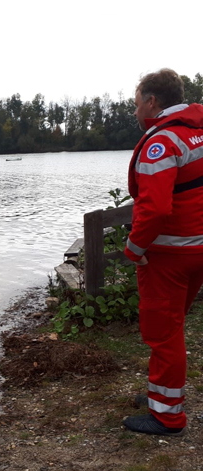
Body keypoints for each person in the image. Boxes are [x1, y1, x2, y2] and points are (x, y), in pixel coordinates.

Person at [122, 68, 203, 436]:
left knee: (163, 332)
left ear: (152, 102)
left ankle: (167, 416)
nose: (136, 112)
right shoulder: (197, 132)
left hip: (169, 256)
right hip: (197, 250)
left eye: (137, 104)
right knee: (173, 326)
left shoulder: (162, 142)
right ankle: (160, 395)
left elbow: (154, 209)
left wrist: (134, 249)